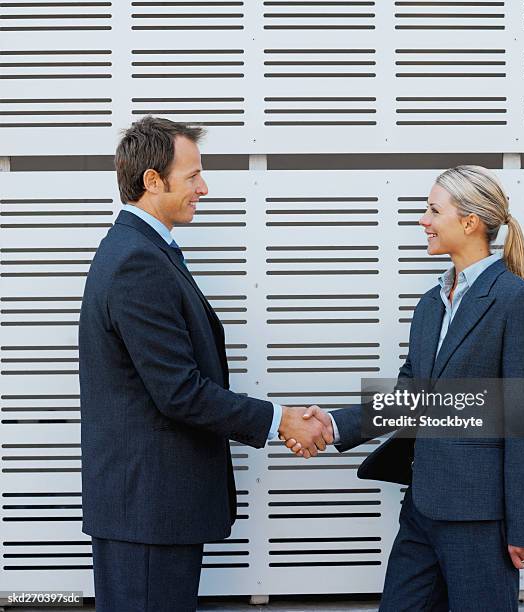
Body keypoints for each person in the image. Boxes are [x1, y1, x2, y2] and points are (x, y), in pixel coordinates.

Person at [78, 116, 333, 612]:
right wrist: (280, 419)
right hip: (148, 514)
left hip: (149, 513)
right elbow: (179, 391)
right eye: (193, 175)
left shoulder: (146, 251)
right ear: (153, 180)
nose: (204, 187)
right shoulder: (137, 261)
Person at [287, 165, 524, 611]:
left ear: (469, 222)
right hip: (422, 509)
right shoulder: (432, 304)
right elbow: (412, 396)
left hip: (479, 518)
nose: (422, 221)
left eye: (432, 210)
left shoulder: (514, 299)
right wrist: (334, 423)